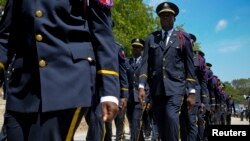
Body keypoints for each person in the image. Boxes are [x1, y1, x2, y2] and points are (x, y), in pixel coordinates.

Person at [0, 0, 120, 140]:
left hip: (67, 82)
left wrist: (110, 91)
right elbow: (6, 35)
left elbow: (103, 34)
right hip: (23, 88)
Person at [138, 1, 196, 141]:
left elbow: (189, 67)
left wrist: (192, 92)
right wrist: (141, 86)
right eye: (162, 15)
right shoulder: (151, 38)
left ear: (174, 18)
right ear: (159, 18)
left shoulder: (183, 39)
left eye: (169, 15)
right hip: (157, 89)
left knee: (171, 118)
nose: (165, 18)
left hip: (176, 87)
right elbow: (145, 64)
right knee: (161, 123)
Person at [126, 38, 148, 141]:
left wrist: (149, 99)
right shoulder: (127, 62)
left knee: (135, 121)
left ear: (142, 49)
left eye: (138, 47)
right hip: (128, 97)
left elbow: (149, 82)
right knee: (131, 122)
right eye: (134, 47)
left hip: (140, 98)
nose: (135, 49)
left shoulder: (146, 63)